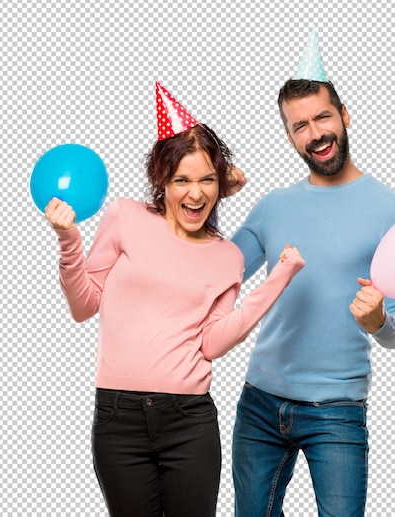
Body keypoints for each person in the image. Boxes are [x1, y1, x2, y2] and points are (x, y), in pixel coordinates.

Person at [45, 82, 304, 517]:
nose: (195, 193)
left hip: (190, 421)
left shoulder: (227, 256)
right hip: (118, 417)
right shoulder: (125, 217)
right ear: (161, 180)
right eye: (181, 179)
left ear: (219, 184)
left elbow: (213, 344)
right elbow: (83, 306)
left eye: (206, 180)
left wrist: (278, 279)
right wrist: (69, 239)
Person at [230, 33, 395, 517]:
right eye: (299, 126)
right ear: (290, 137)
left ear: (344, 116)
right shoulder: (273, 206)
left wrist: (378, 320)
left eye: (321, 117)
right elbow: (215, 272)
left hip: (337, 412)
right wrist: (213, 194)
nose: (314, 133)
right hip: (259, 405)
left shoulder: (390, 210)